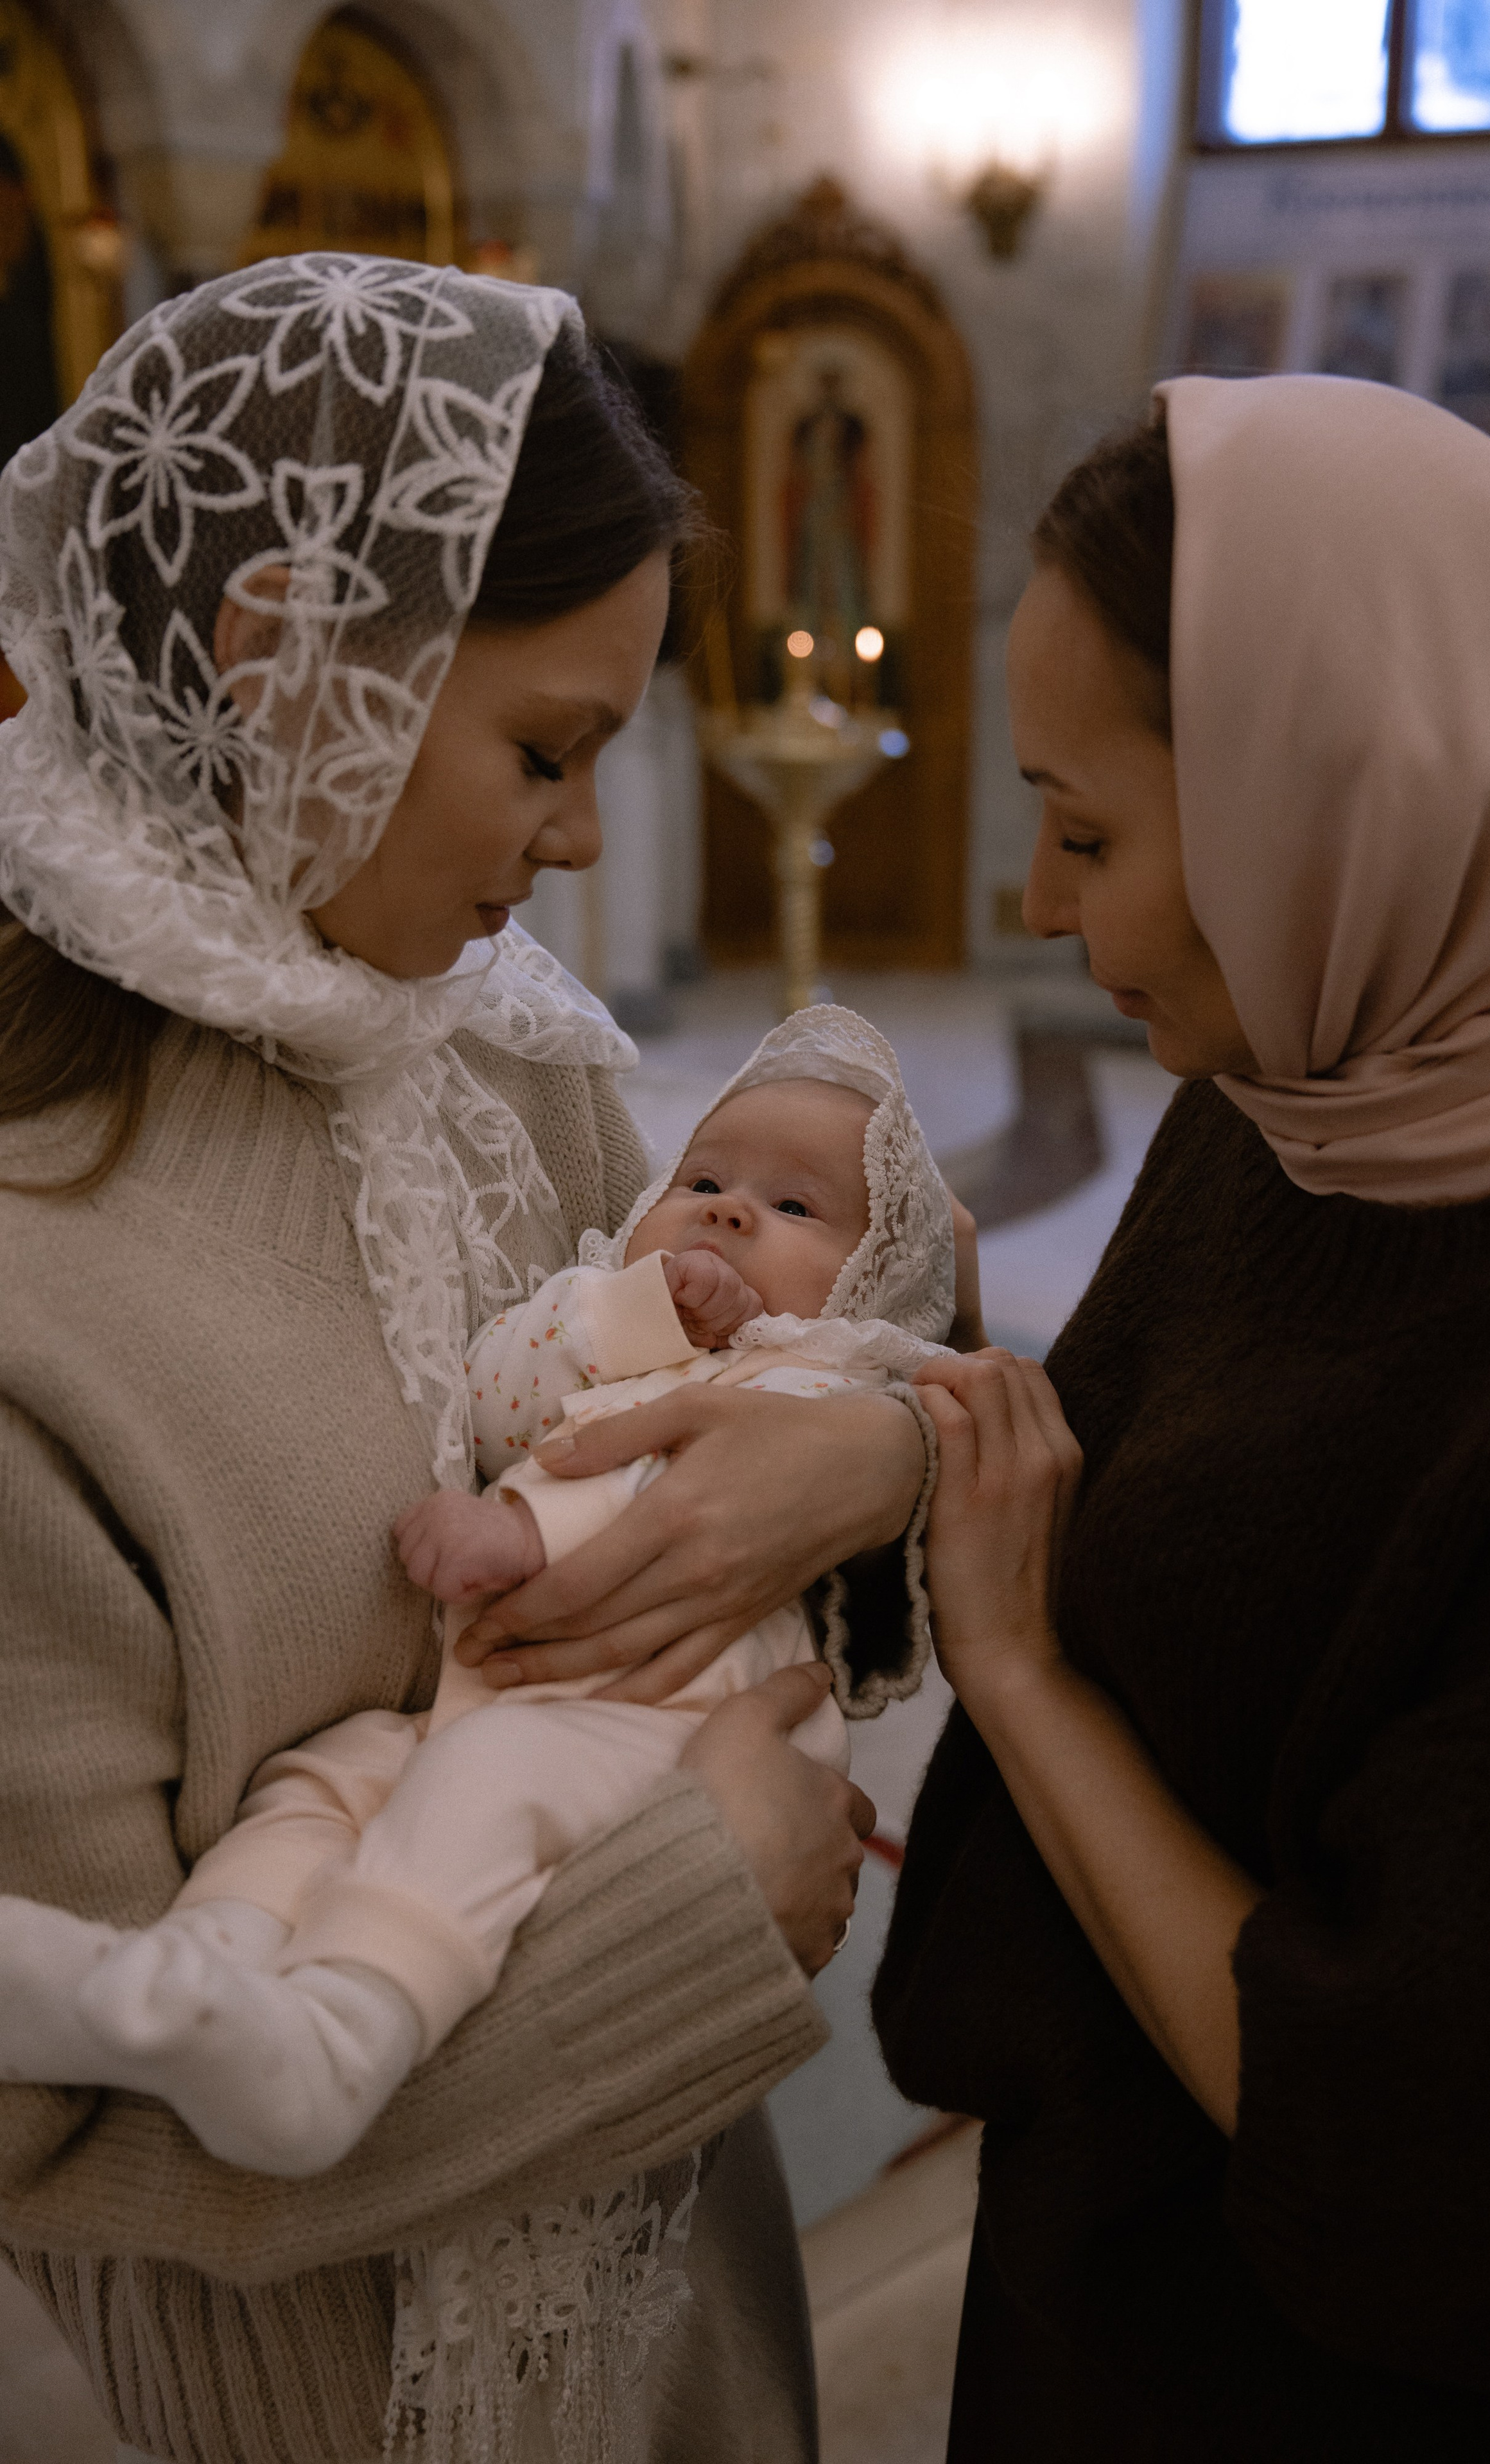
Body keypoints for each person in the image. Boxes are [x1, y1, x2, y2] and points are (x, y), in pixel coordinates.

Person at [0, 256, 946, 2464]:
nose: (588, 840)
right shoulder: (42, 1291)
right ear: (285, 667)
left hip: (688, 2286)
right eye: (548, 747)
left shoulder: (522, 1077)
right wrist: (696, 1914)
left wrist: (870, 1455)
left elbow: (825, 1354)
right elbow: (62, 2133)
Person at [872, 375, 1490, 2460]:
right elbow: (1130, 1477)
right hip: (1095, 2267)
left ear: (1333, 798)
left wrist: (1019, 1675)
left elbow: (1408, 2128)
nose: (1039, 906)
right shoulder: (1303, 1086)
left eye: (1089, 829)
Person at [0, 1009, 954, 2212]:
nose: (726, 1211)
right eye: (704, 1179)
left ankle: (341, 2032)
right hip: (517, 1693)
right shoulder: (619, 1321)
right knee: (328, 1772)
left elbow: (662, 1502)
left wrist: (519, 1532)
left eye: (797, 1208)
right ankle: (201, 1969)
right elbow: (501, 1396)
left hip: (660, 1716)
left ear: (872, 1282)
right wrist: (623, 1312)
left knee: (476, 1789)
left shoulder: (813, 1373)